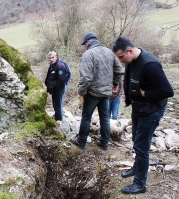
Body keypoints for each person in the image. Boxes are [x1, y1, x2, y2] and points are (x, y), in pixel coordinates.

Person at [112, 37, 174, 194]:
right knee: (136, 140)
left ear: (130, 51)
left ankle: (140, 184)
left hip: (151, 110)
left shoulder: (150, 65)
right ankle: (137, 167)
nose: (120, 61)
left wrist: (146, 93)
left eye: (121, 57)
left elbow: (167, 91)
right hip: (138, 108)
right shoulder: (131, 60)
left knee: (141, 146)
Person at [70, 32, 123, 150]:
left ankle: (81, 141)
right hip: (105, 93)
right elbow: (119, 71)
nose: (85, 46)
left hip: (92, 93)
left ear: (88, 42)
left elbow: (86, 77)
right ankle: (104, 142)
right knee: (104, 117)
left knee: (86, 117)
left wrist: (81, 92)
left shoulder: (88, 54)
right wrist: (114, 83)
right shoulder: (110, 53)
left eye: (84, 44)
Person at [45, 51, 66, 123]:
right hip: (53, 89)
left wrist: (57, 88)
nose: (51, 59)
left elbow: (62, 79)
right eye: (50, 58)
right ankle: (57, 117)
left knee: (57, 104)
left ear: (56, 57)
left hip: (58, 90)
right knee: (55, 104)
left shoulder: (59, 66)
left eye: (53, 57)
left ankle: (59, 119)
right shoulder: (52, 66)